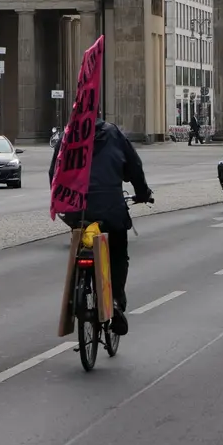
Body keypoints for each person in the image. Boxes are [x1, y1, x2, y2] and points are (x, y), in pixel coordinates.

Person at [49, 120, 153, 335]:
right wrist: (143, 193)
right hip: (110, 208)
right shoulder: (113, 133)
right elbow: (134, 166)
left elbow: (54, 172)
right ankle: (115, 302)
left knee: (79, 245)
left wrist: (61, 200)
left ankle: (75, 294)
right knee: (117, 255)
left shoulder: (69, 135)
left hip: (77, 210)